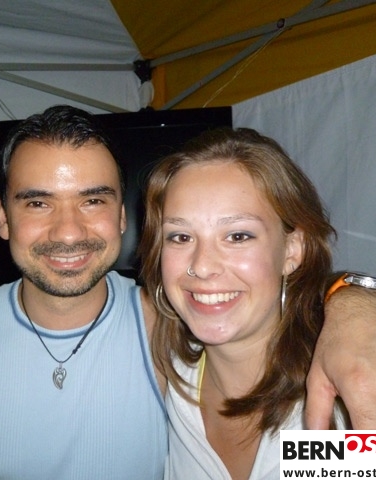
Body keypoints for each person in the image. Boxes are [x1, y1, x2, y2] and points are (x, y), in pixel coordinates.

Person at [0, 105, 376, 480]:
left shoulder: (341, 399)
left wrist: (360, 302)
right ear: (2, 217)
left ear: (122, 217)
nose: (68, 231)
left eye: (238, 235)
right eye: (180, 236)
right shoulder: (179, 365)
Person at [140, 127, 349, 479]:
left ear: (292, 250)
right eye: (181, 236)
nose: (202, 266)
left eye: (237, 236)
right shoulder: (171, 379)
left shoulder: (345, 405)